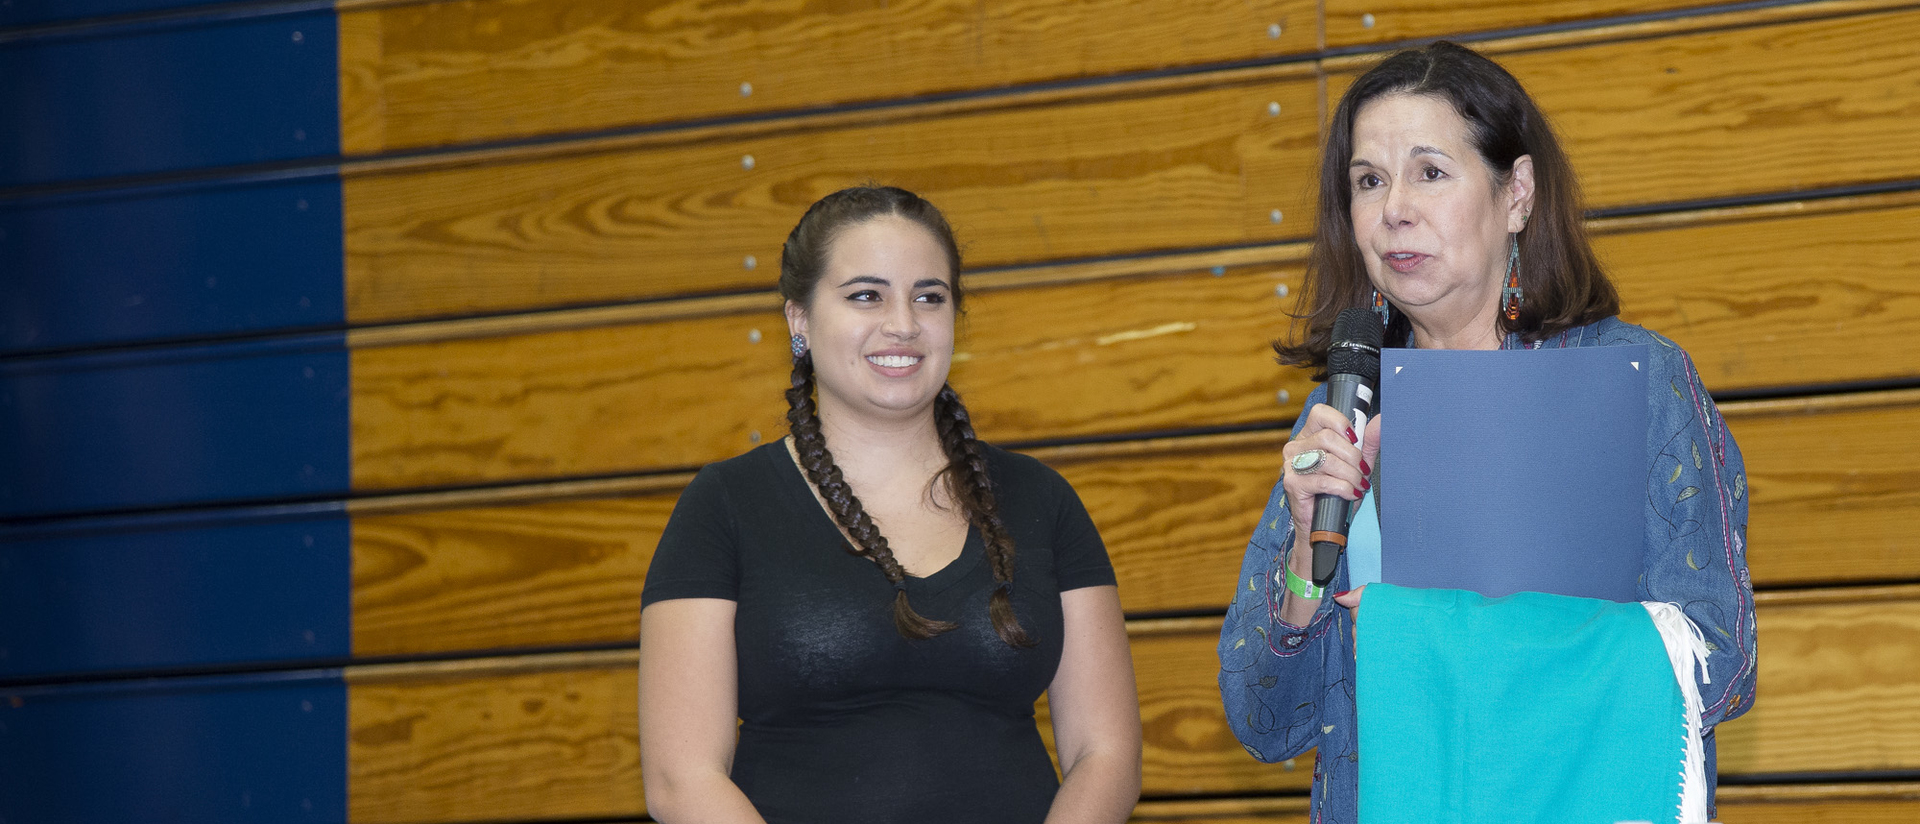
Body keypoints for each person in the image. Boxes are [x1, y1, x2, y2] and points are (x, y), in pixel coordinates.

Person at [1218, 42, 1757, 822]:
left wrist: (1426, 639)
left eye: (1430, 172)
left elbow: (1721, 664)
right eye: (1369, 181)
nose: (1393, 207)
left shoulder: (1635, 379)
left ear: (1517, 194)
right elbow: (1262, 720)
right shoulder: (1342, 412)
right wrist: (1306, 561)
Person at [639, 186, 1142, 824]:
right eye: (866, 295)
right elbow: (680, 781)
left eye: (929, 296)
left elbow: (1107, 754)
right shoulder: (724, 506)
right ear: (799, 319)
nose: (903, 323)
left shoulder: (1040, 498)